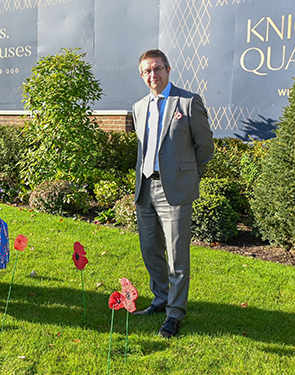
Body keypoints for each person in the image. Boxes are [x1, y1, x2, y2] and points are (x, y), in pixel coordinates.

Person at [130, 49, 214, 338]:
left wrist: (186, 176)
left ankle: (175, 313)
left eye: (157, 68)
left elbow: (205, 147)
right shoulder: (139, 107)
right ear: (142, 75)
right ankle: (161, 298)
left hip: (174, 191)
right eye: (147, 71)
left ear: (168, 69)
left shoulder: (188, 102)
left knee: (177, 256)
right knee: (150, 249)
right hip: (145, 188)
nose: (152, 75)